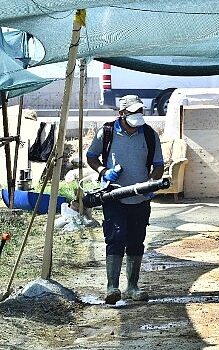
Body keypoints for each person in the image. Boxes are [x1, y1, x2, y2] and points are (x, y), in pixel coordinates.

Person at [86, 95, 164, 304]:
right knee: (115, 238)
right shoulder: (107, 132)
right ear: (121, 114)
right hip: (114, 194)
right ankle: (112, 287)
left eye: (141, 111)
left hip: (140, 198)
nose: (138, 116)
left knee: (136, 240)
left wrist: (152, 184)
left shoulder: (149, 134)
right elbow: (91, 156)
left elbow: (158, 165)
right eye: (133, 112)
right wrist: (104, 171)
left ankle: (132, 286)